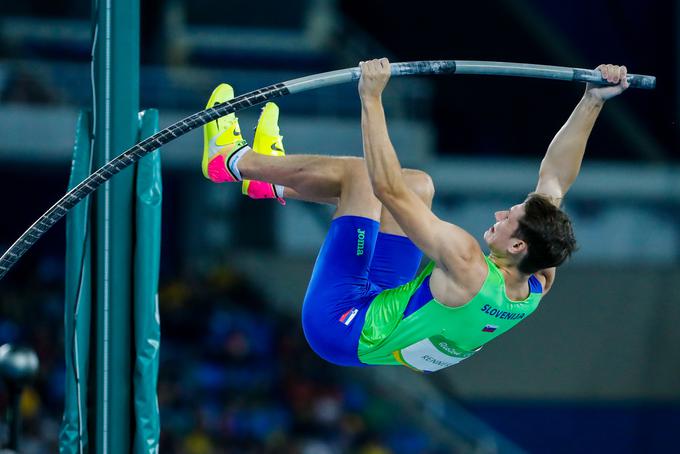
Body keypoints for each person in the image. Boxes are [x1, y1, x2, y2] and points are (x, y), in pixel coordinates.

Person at [201, 59, 629, 373]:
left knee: (362, 180)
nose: (500, 213)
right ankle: (271, 184)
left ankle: (232, 160)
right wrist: (593, 101)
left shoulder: (467, 262)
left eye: (509, 217)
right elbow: (555, 178)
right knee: (419, 184)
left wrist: (371, 98)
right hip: (393, 305)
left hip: (342, 325)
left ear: (518, 244)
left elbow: (385, 188)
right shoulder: (538, 275)